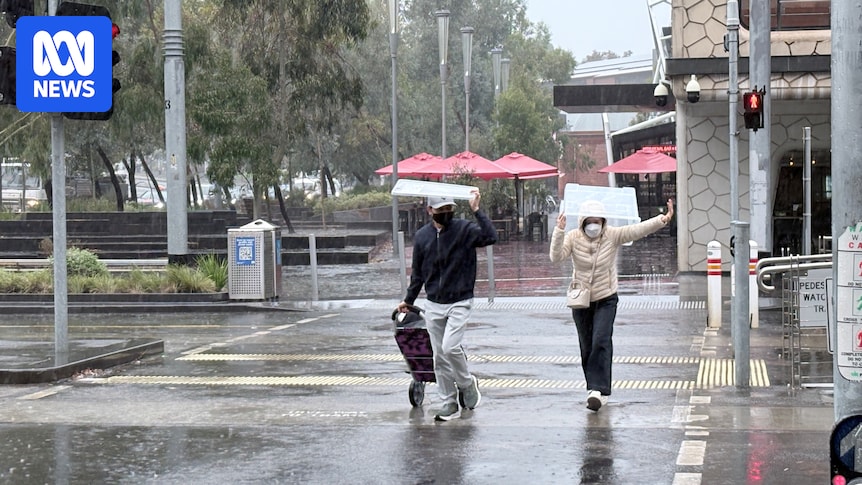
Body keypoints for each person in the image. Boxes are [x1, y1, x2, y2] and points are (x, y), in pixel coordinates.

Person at [549, 198, 674, 412]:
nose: (593, 225)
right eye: (589, 221)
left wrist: (662, 219)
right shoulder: (573, 237)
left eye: (597, 221)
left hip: (606, 297)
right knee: (587, 345)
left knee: (601, 339)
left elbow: (637, 230)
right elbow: (556, 257)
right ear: (582, 221)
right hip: (581, 300)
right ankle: (594, 389)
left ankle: (599, 390)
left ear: (603, 221)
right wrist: (559, 231)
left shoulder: (612, 235)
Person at [397, 190, 497, 421]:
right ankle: (448, 402)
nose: (446, 214)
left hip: (460, 300)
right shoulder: (422, 237)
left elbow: (491, 237)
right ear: (430, 211)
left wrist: (476, 210)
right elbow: (418, 274)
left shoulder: (464, 230)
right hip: (434, 303)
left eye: (449, 210)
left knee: (450, 347)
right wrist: (408, 301)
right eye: (441, 210)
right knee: (439, 356)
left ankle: (466, 384)